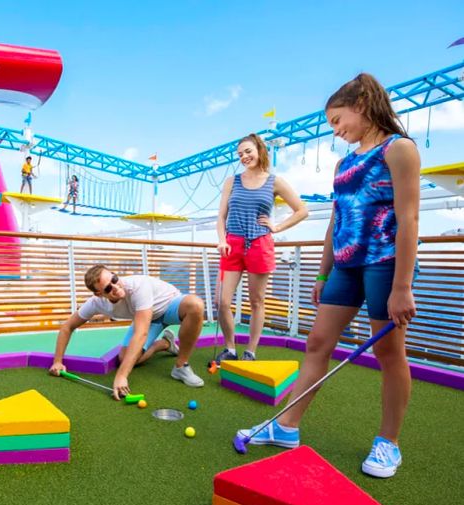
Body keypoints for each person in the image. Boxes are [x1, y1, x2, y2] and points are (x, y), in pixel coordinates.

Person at [236, 73, 420, 479]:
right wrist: (322, 275)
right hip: (346, 266)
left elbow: (408, 218)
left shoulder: (399, 149)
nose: (336, 131)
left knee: (388, 354)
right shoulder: (345, 162)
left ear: (363, 104)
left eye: (338, 120)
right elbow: (336, 221)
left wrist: (402, 286)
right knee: (317, 341)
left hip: (385, 264)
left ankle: (389, 442)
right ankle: (286, 426)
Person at [214, 133, 307, 362]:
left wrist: (277, 227)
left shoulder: (274, 181)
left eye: (248, 151)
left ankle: (250, 351)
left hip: (260, 243)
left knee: (257, 301)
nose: (244, 156)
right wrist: (222, 240)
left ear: (259, 150)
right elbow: (221, 217)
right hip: (232, 244)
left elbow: (302, 210)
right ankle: (231, 348)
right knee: (222, 301)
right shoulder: (232, 181)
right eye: (240, 154)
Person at [49, 264, 206, 399]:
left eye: (114, 279)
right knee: (125, 358)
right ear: (99, 294)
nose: (116, 287)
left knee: (195, 305)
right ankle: (165, 344)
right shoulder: (95, 303)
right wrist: (57, 361)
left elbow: (141, 334)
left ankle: (180, 366)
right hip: (147, 318)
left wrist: (121, 376)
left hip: (170, 306)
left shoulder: (137, 286)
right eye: (108, 288)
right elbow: (67, 327)